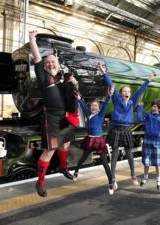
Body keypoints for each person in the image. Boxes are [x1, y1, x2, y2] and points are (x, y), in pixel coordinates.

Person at [29, 31, 78, 197]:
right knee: (50, 150)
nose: (51, 64)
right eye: (48, 62)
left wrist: (74, 85)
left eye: (53, 62)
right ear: (44, 65)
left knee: (66, 144)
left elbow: (71, 99)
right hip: (51, 119)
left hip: (64, 118)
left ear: (58, 65)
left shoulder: (62, 79)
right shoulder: (43, 76)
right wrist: (32, 39)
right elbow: (36, 57)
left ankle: (63, 167)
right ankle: (40, 182)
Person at [102, 65, 156, 190]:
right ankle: (113, 178)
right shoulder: (116, 100)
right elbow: (111, 85)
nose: (127, 93)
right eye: (124, 91)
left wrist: (149, 79)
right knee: (114, 154)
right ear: (120, 94)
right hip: (116, 128)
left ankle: (133, 175)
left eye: (128, 91)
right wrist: (104, 73)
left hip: (126, 129)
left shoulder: (132, 102)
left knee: (129, 153)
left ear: (130, 94)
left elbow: (141, 91)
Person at [73, 83, 116, 195]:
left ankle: (111, 182)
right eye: (92, 106)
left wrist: (109, 96)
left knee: (104, 163)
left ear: (99, 108)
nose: (93, 107)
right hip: (90, 140)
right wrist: (78, 99)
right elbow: (83, 107)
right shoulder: (88, 114)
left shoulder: (100, 115)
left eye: (96, 106)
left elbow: (106, 104)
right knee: (83, 158)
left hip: (99, 141)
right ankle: (76, 171)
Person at [137, 99, 160, 190]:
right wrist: (140, 107)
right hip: (147, 140)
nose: (154, 108)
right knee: (146, 161)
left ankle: (159, 180)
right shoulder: (148, 115)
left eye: (156, 106)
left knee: (158, 162)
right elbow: (139, 119)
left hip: (157, 142)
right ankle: (145, 177)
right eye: (153, 106)